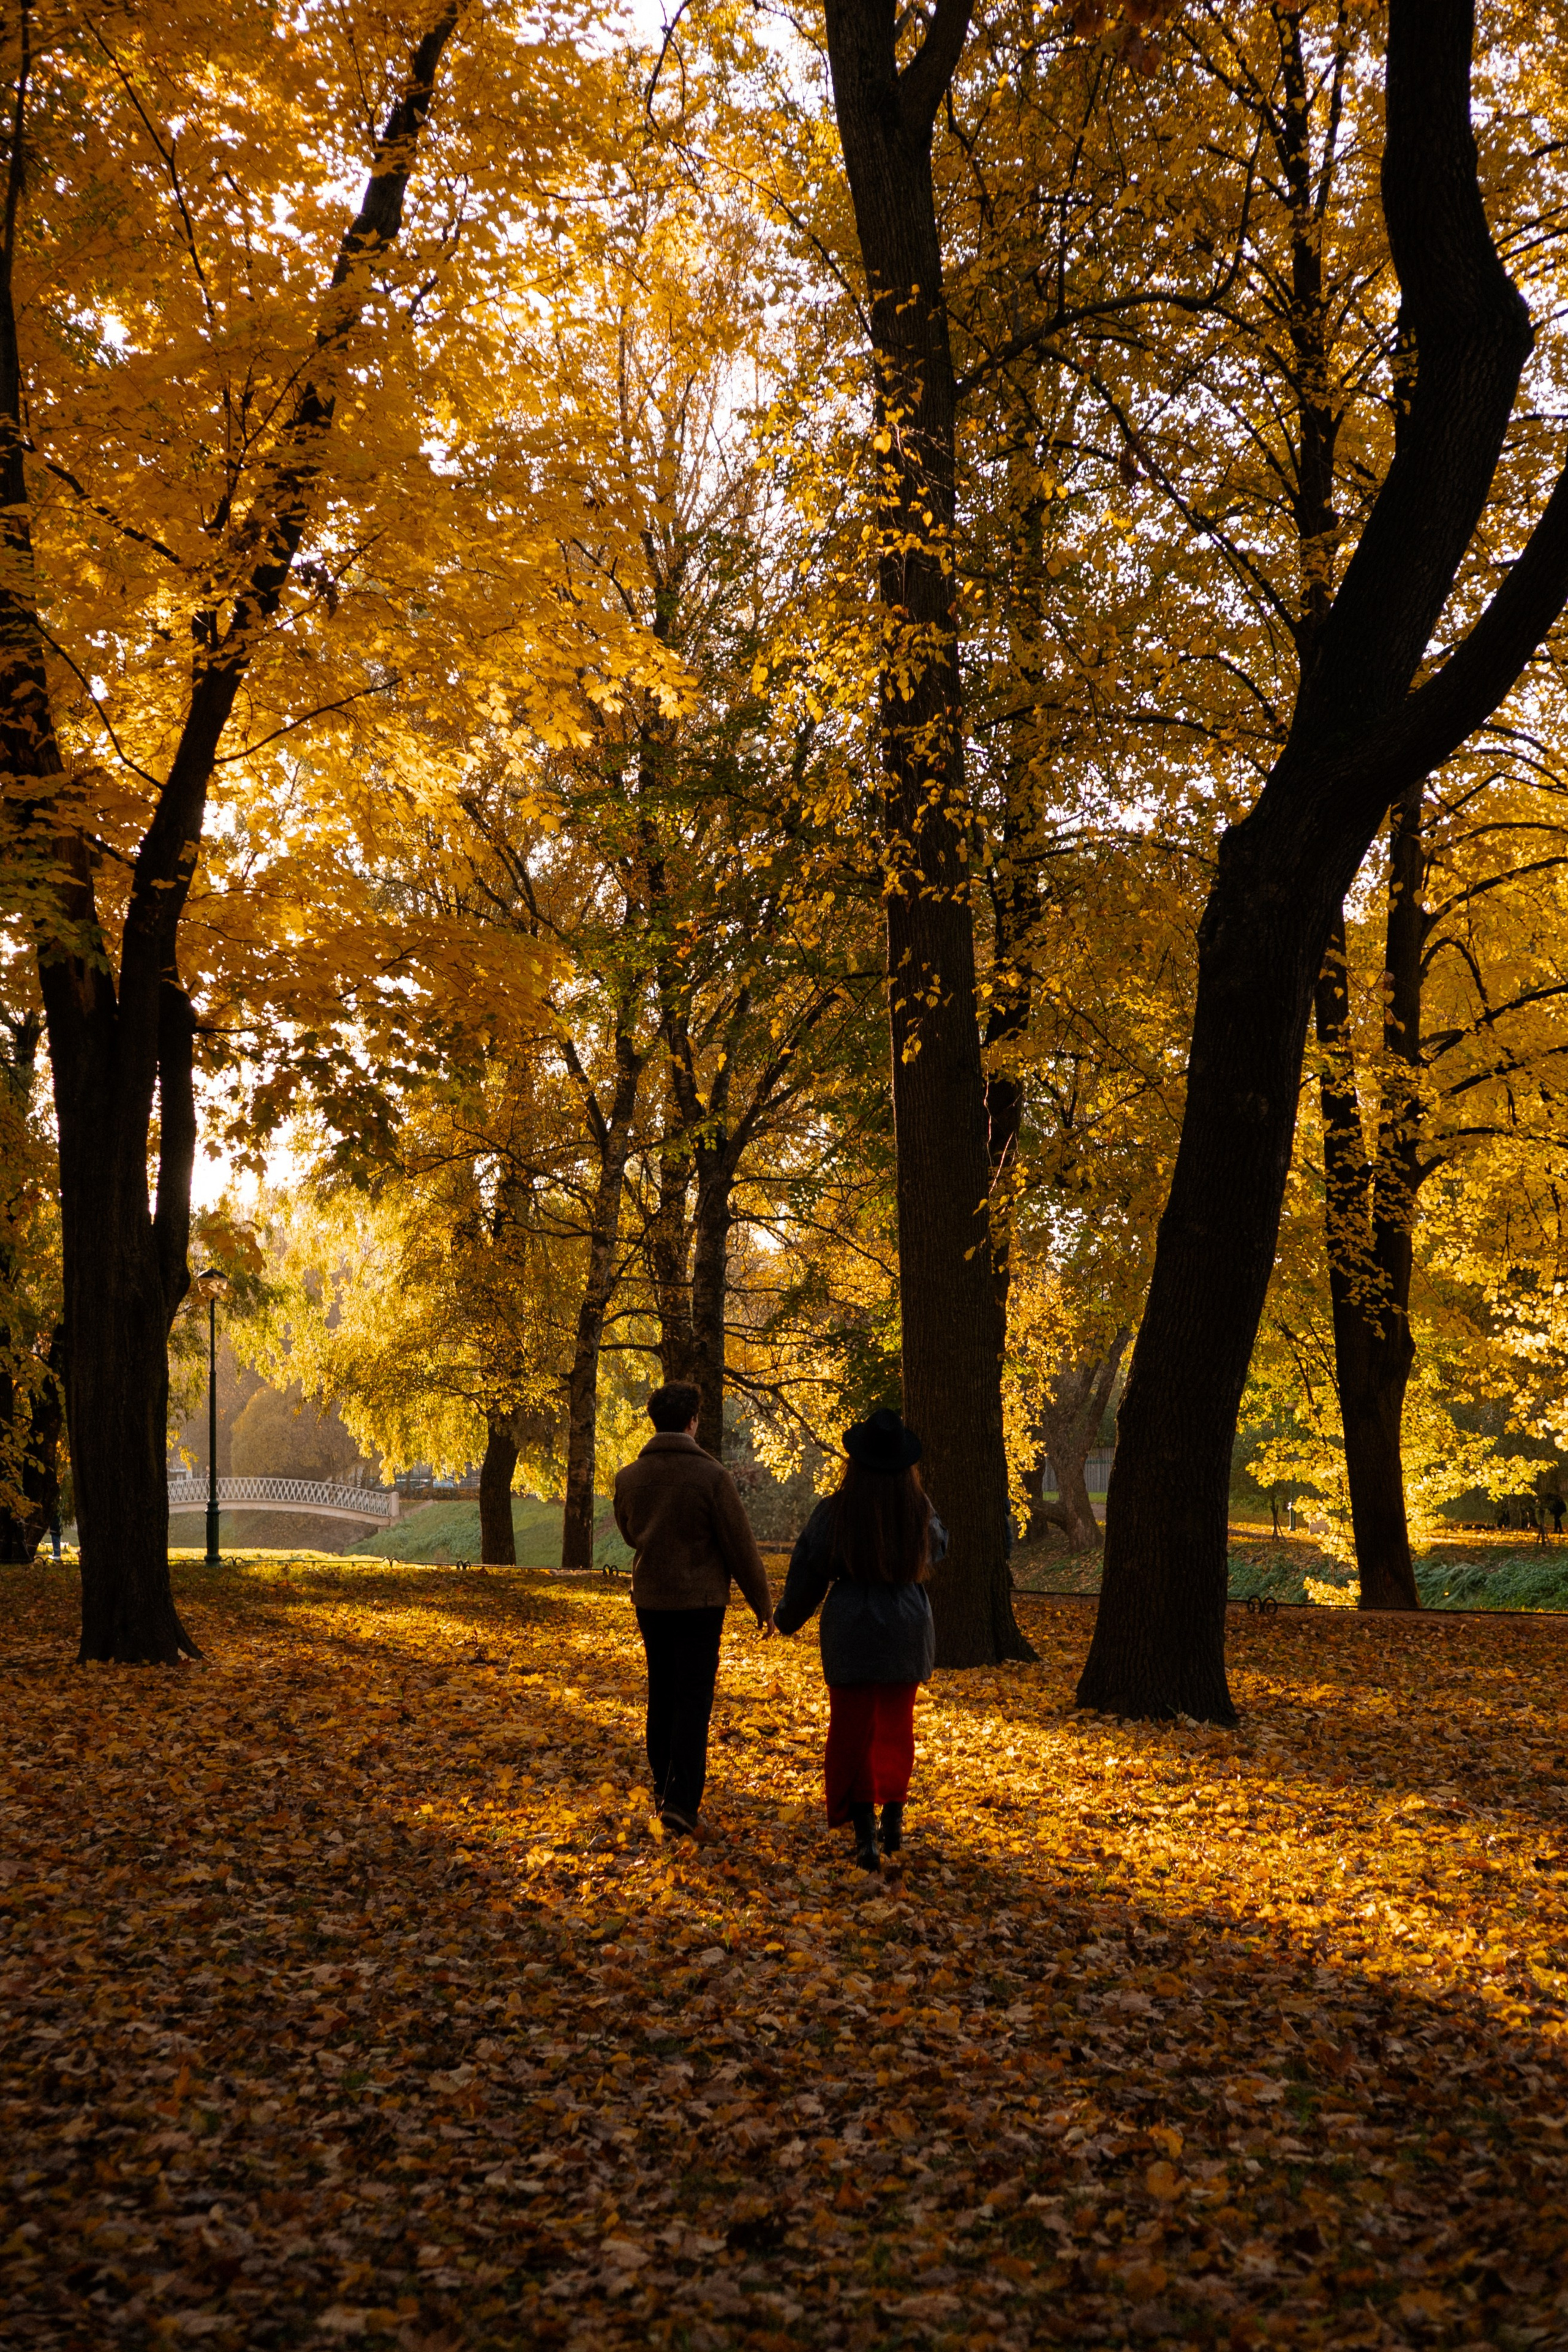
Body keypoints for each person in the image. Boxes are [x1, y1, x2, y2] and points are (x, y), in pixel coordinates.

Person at [775, 1406, 946, 1874]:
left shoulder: (837, 1510)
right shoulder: (920, 1510)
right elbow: (940, 1549)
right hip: (907, 1627)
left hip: (852, 1629)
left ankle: (865, 1835)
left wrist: (788, 1617)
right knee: (895, 1728)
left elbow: (809, 1568)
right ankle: (894, 1825)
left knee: (853, 1731)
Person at [612, 1382, 775, 1841]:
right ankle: (682, 1804)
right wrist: (763, 1606)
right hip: (701, 1605)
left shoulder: (629, 1478)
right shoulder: (713, 1478)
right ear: (692, 1422)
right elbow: (740, 1547)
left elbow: (630, 1532)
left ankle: (665, 1790)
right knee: (693, 1699)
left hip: (651, 1601)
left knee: (661, 1692)